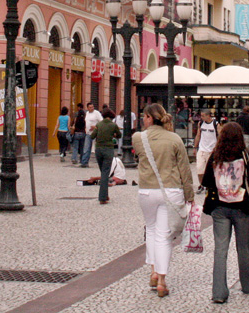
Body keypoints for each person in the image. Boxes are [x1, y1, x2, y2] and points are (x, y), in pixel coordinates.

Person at [201, 122, 249, 304]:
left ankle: (219, 293)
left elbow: (207, 181)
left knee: (220, 250)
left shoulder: (215, 156)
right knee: (243, 247)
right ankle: (247, 284)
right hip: (242, 207)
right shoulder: (245, 156)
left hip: (219, 208)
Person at [131, 103, 194, 299]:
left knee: (150, 230)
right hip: (171, 190)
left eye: (144, 116)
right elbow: (184, 170)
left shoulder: (137, 138)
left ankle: (153, 271)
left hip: (147, 191)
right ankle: (161, 281)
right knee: (164, 236)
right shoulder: (175, 139)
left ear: (150, 118)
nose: (142, 119)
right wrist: (190, 197)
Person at [93, 110, 121, 204]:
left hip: (98, 150)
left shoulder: (99, 124)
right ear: (112, 117)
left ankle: (105, 194)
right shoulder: (113, 125)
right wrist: (113, 134)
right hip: (108, 150)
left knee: (103, 173)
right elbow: (119, 135)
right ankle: (102, 197)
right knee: (105, 173)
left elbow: (92, 136)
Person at [193, 109, 219, 191]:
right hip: (202, 148)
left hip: (211, 150)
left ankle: (210, 185)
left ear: (208, 115)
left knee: (210, 170)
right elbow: (198, 135)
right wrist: (195, 147)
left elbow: (220, 136)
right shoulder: (201, 124)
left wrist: (217, 148)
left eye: (203, 115)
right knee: (199, 169)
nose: (202, 117)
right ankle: (202, 184)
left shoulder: (216, 124)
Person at [81, 102, 102, 169]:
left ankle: (101, 162)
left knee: (98, 148)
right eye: (90, 107)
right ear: (87, 108)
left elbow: (101, 122)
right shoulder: (87, 113)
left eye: (92, 107)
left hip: (96, 133)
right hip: (88, 133)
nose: (92, 108)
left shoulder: (97, 113)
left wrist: (95, 126)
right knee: (86, 148)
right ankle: (84, 162)